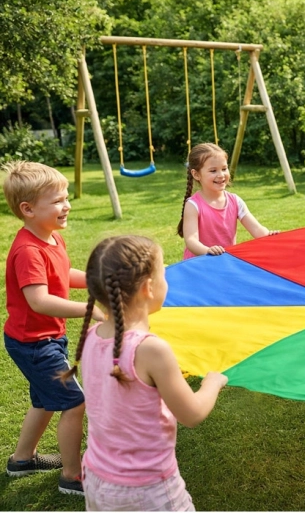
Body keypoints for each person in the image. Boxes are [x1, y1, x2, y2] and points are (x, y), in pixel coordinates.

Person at [60, 235, 228, 511]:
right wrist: (212, 382)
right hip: (147, 489)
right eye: (164, 274)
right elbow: (192, 414)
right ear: (148, 288)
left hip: (98, 478)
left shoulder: (92, 336)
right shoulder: (151, 350)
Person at [2, 160, 104, 496]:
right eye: (58, 201)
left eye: (66, 197)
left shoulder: (51, 239)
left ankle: (22, 460)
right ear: (28, 209)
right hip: (33, 343)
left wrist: (95, 280)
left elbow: (62, 274)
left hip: (44, 339)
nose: (67, 205)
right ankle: (73, 476)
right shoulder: (28, 250)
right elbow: (40, 301)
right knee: (74, 402)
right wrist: (90, 310)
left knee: (45, 400)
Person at [177, 142, 279, 259]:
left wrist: (268, 235)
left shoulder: (235, 201)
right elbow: (191, 241)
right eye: (213, 170)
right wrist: (207, 251)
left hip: (225, 261)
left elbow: (256, 229)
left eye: (224, 169)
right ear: (196, 174)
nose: (221, 175)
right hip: (199, 264)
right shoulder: (193, 205)